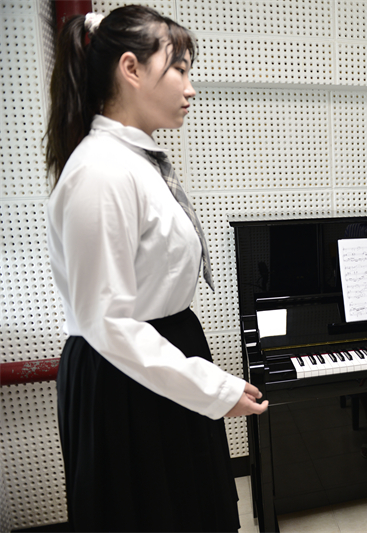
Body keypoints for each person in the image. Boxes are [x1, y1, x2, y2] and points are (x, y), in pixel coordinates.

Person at [44, 6, 268, 531]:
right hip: (123, 379)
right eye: (179, 70)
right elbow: (108, 322)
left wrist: (207, 382)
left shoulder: (134, 162)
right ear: (131, 68)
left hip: (160, 356)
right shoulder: (100, 172)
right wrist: (211, 388)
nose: (190, 88)